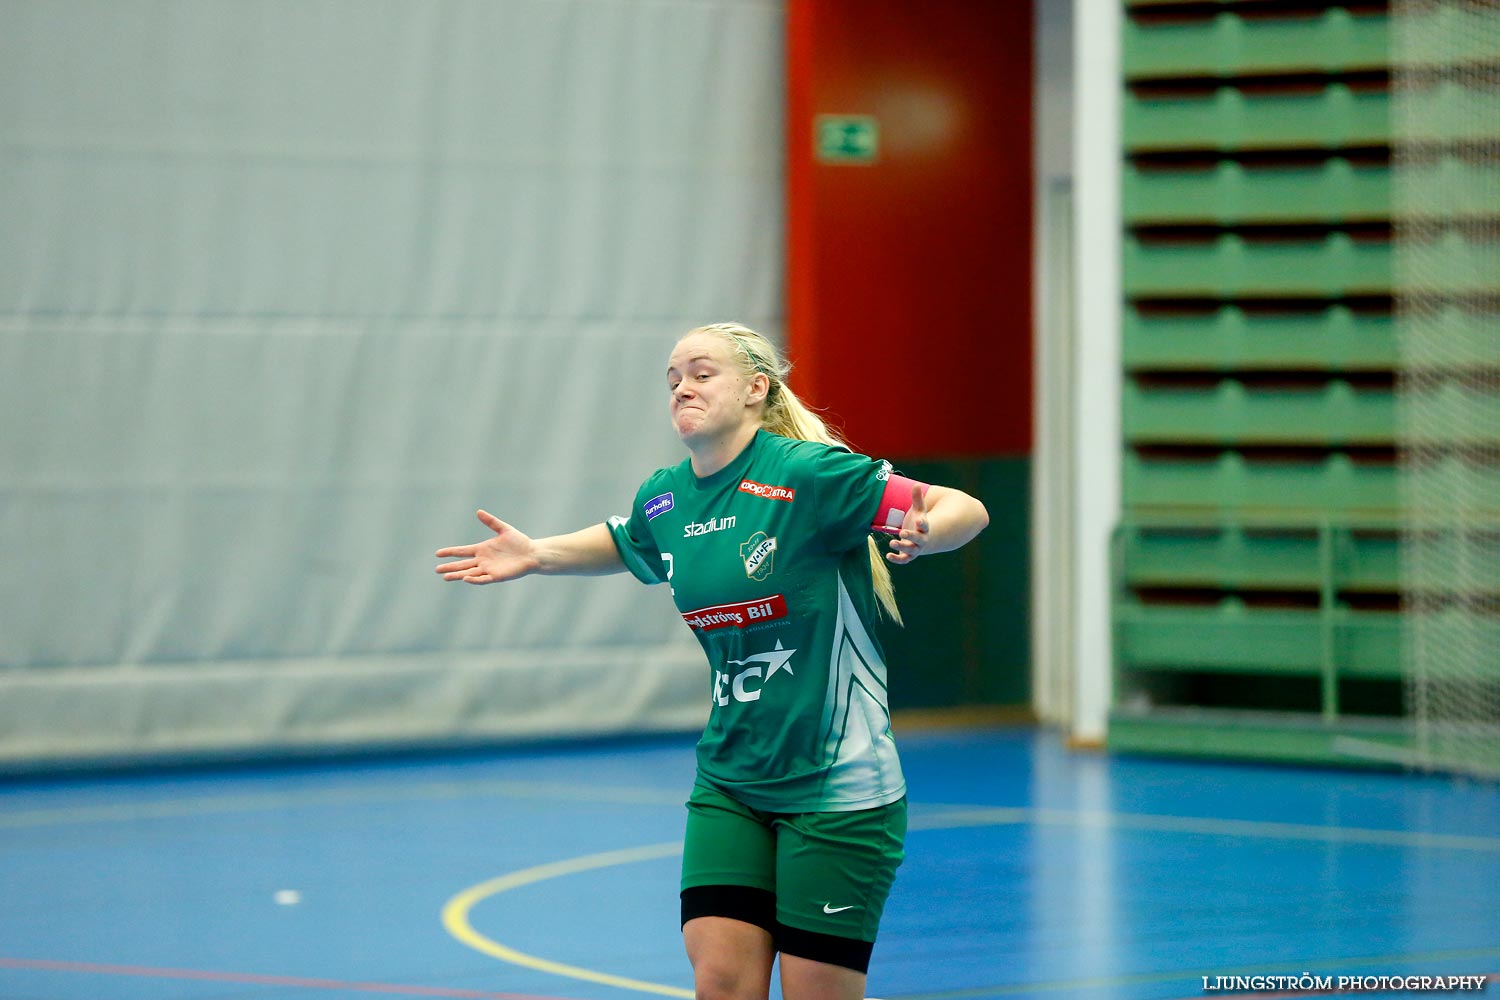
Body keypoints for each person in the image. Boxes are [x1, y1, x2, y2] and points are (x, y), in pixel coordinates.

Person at [435, 322, 989, 1000]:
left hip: (836, 785)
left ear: (757, 388)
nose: (681, 388)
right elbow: (629, 538)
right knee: (722, 983)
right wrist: (539, 553)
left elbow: (962, 505)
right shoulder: (665, 496)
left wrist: (929, 533)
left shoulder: (807, 475)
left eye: (701, 373)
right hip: (730, 779)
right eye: (672, 379)